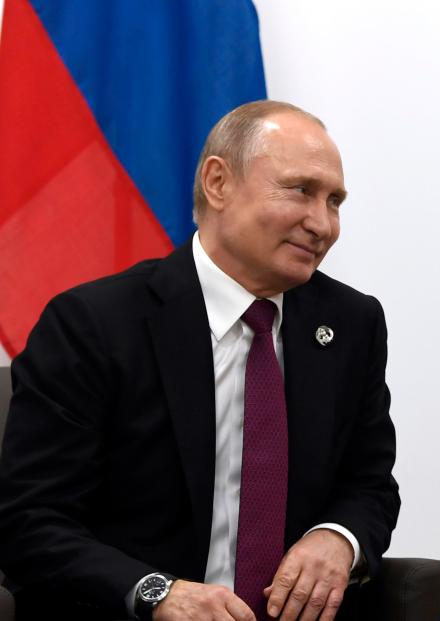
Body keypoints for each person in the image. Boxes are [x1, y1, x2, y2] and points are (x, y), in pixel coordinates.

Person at [0, 100, 401, 621]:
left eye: (335, 201)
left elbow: (370, 483)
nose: (322, 224)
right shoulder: (94, 325)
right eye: (301, 190)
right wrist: (155, 592)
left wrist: (338, 537)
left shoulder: (351, 323)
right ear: (218, 183)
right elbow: (29, 520)